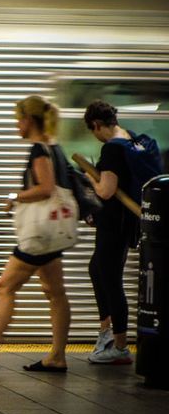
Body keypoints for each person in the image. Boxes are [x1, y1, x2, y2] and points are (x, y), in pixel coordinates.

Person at [0, 95, 71, 373]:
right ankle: (57, 356)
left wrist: (14, 196)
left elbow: (45, 188)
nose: (16, 125)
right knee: (56, 293)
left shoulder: (39, 151)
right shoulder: (56, 147)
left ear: (29, 120)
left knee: (5, 287)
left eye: (18, 119)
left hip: (39, 237)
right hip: (53, 234)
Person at [83, 100, 143, 365]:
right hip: (121, 222)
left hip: (115, 224)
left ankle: (119, 346)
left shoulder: (112, 148)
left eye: (92, 131)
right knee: (97, 269)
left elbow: (106, 190)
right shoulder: (129, 138)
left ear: (96, 125)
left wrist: (90, 180)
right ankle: (106, 332)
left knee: (110, 278)